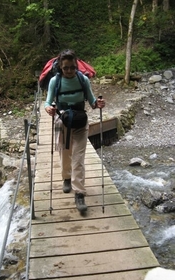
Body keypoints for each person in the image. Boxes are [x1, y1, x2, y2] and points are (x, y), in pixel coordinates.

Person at [44, 49, 105, 213]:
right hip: (62, 121)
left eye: (72, 67)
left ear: (76, 66)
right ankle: (66, 178)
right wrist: (49, 108)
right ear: (60, 67)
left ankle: (79, 193)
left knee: (78, 158)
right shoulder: (55, 82)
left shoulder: (82, 79)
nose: (69, 71)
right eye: (66, 68)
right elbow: (47, 102)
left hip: (80, 122)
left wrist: (97, 104)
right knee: (65, 154)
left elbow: (92, 101)